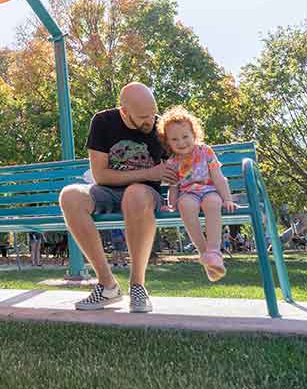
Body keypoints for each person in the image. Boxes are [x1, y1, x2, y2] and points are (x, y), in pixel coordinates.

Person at [58, 82, 173, 313]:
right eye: (143, 117)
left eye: (153, 113)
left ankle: (138, 286)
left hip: (144, 195)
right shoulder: (103, 122)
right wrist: (149, 173)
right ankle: (107, 285)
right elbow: (100, 175)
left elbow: (186, 162)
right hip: (108, 191)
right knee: (70, 196)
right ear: (125, 112)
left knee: (134, 194)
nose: (150, 121)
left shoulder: (162, 127)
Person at [159, 106, 236, 281]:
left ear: (194, 134)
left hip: (210, 190)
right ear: (168, 142)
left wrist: (227, 199)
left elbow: (218, 178)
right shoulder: (172, 162)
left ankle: (214, 251)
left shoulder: (206, 151)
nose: (181, 142)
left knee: (213, 203)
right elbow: (174, 186)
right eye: (174, 139)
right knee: (185, 205)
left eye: (185, 136)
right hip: (188, 193)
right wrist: (171, 205)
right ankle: (204, 252)